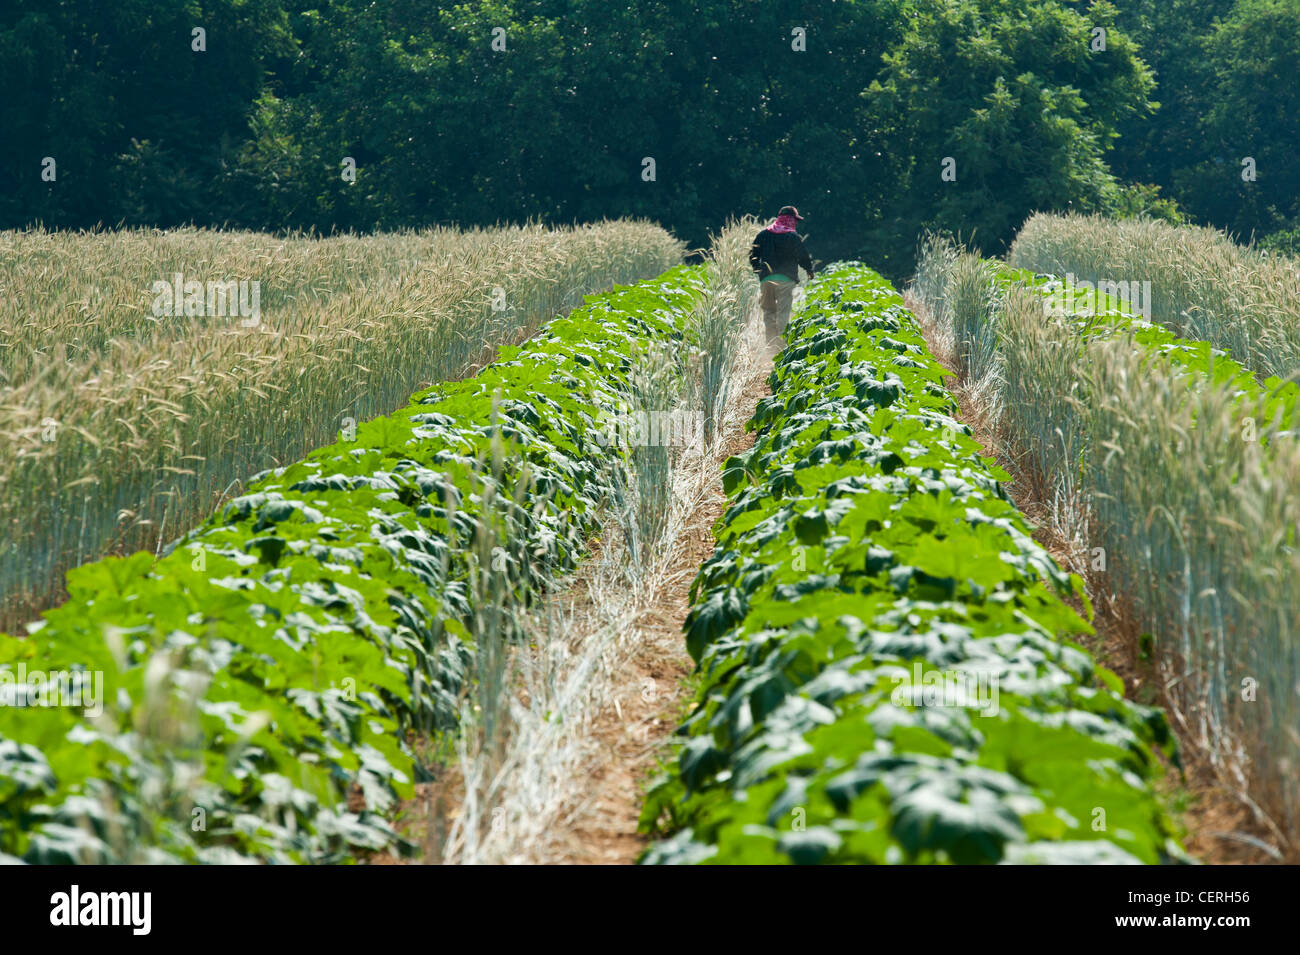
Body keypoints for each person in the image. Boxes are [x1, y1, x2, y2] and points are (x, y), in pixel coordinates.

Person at [749, 205, 814, 342]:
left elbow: (753, 255)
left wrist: (759, 270)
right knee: (783, 313)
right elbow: (803, 256)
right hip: (786, 280)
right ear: (791, 220)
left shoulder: (763, 235)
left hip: (766, 280)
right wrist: (809, 269)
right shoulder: (792, 237)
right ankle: (781, 346)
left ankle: (771, 344)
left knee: (769, 312)